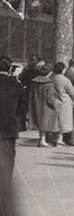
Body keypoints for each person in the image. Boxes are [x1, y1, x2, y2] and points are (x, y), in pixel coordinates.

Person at [0, 56, 28, 185]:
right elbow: (23, 106)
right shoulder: (17, 85)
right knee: (8, 157)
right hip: (9, 127)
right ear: (10, 68)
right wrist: (15, 117)